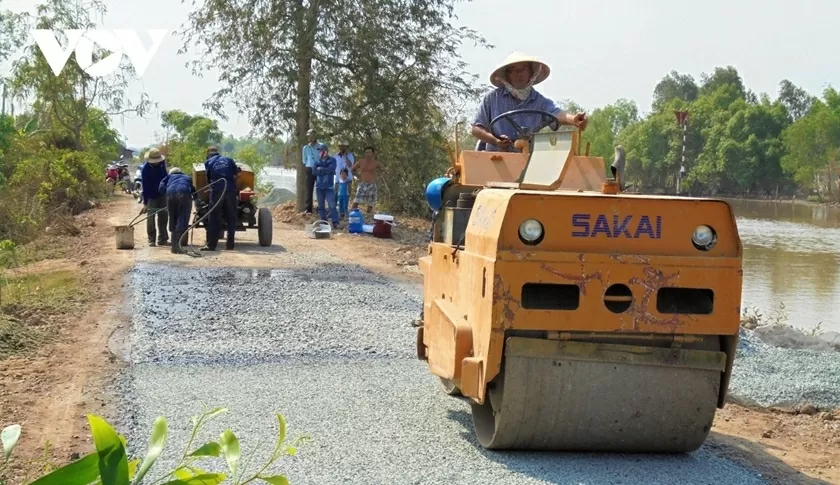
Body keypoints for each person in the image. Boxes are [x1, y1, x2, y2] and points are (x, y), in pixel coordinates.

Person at [471, 52, 588, 152]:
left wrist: (574, 119)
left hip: (531, 161)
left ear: (531, 73)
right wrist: (495, 140)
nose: (518, 74)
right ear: (507, 75)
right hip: (495, 160)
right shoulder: (492, 99)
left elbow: (556, 113)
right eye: (513, 70)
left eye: (523, 69)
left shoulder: (539, 101)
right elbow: (476, 128)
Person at [202, 146, 241, 251]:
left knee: (214, 217)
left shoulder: (208, 163)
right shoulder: (229, 160)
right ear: (217, 153)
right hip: (230, 190)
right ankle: (230, 245)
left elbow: (208, 179)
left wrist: (211, 189)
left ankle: (211, 245)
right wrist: (234, 188)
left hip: (217, 191)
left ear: (208, 154)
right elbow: (237, 174)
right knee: (231, 216)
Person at [158, 167, 198, 254]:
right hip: (183, 194)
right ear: (181, 172)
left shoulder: (168, 177)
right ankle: (178, 247)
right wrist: (196, 199)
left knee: (172, 219)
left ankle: (174, 247)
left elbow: (161, 188)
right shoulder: (187, 178)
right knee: (182, 219)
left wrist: (168, 193)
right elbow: (193, 190)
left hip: (170, 195)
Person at [139, 148, 169, 246]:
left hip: (162, 194)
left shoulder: (162, 164)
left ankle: (163, 238)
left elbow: (166, 177)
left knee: (163, 217)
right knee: (150, 218)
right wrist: (145, 203)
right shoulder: (145, 170)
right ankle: (151, 239)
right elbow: (145, 187)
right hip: (151, 196)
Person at [314, 143, 340, 228]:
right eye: (320, 151)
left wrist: (321, 169)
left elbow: (332, 169)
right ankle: (324, 222)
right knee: (321, 206)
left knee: (332, 205)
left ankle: (335, 222)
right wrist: (325, 170)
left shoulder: (332, 160)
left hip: (329, 187)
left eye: (322, 151)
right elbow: (314, 171)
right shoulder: (317, 161)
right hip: (319, 187)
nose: (321, 152)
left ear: (326, 151)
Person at [350, 145, 379, 215]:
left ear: (372, 153)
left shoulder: (376, 163)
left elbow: (384, 170)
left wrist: (378, 177)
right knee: (357, 199)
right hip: (363, 183)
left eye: (369, 152)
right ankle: (352, 214)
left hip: (372, 183)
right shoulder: (361, 161)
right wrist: (357, 175)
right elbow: (352, 169)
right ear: (364, 153)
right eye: (366, 152)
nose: (368, 154)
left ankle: (368, 215)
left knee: (371, 202)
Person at [301, 129, 319, 214]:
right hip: (309, 168)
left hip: (319, 168)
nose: (310, 138)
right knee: (309, 189)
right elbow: (304, 160)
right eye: (308, 136)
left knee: (320, 188)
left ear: (315, 136)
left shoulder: (320, 146)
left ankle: (320, 207)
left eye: (311, 136)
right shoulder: (305, 148)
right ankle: (308, 209)